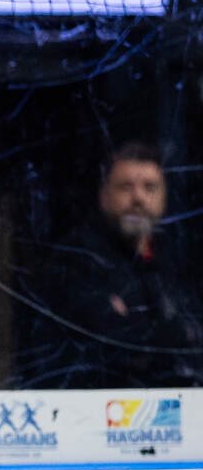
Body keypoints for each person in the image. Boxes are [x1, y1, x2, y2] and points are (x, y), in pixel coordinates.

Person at [24, 142, 203, 389]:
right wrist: (179, 334)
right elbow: (116, 345)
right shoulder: (79, 256)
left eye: (149, 187)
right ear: (104, 196)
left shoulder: (178, 259)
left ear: (164, 198)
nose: (138, 198)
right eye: (125, 187)